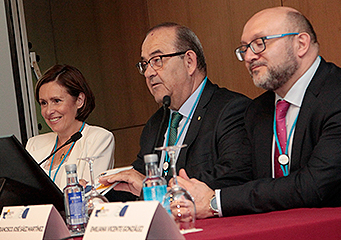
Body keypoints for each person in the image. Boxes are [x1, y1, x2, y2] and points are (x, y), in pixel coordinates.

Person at [177, 6, 341, 219]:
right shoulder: (258, 110)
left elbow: (311, 186)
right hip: (290, 227)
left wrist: (214, 202)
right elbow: (241, 176)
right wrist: (185, 192)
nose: (249, 56)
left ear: (300, 43)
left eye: (260, 43)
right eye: (244, 48)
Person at [99, 22, 252, 199]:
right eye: (144, 64)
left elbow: (232, 176)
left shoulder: (230, 109)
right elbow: (136, 181)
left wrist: (155, 189)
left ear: (189, 62)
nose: (148, 72)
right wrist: (99, 193)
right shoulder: (156, 123)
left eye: (157, 61)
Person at [26, 64, 115, 190]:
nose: (48, 111)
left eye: (56, 101)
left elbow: (90, 195)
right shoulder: (34, 144)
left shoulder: (99, 138)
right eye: (44, 103)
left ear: (79, 100)